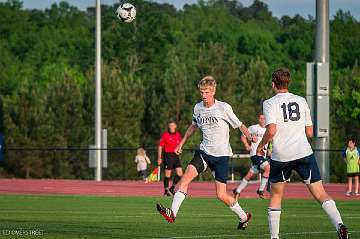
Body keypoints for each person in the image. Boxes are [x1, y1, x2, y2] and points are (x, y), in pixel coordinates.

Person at [256, 68, 349, 239]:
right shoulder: (301, 100)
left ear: (273, 84)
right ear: (288, 82)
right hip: (303, 153)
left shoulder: (269, 103)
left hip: (281, 156)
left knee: (276, 195)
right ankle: (339, 225)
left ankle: (274, 237)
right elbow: (310, 132)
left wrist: (260, 145)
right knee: (320, 193)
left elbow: (272, 130)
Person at [156, 76, 252, 230]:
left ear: (213, 92)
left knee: (221, 195)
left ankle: (243, 216)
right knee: (186, 178)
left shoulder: (224, 107)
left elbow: (240, 125)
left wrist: (250, 136)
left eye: (206, 92)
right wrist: (181, 143)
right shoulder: (198, 108)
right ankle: (172, 213)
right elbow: (193, 126)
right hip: (204, 152)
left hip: (221, 156)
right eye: (201, 92)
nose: (203, 95)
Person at [233, 114, 271, 199]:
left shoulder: (268, 129)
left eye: (264, 118)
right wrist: (247, 145)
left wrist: (269, 150)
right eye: (261, 118)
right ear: (258, 119)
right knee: (268, 168)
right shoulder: (253, 128)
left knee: (250, 174)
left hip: (263, 155)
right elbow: (243, 136)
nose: (262, 120)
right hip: (255, 154)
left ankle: (237, 191)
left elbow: (270, 142)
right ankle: (260, 190)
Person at [158, 120, 183, 196]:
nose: (171, 127)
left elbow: (180, 146)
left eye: (173, 125)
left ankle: (172, 188)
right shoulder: (165, 135)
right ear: (168, 127)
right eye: (170, 126)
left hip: (175, 156)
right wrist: (159, 158)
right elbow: (160, 147)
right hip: (168, 156)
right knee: (167, 175)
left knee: (180, 173)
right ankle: (166, 190)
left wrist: (180, 150)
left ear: (175, 126)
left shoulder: (178, 135)